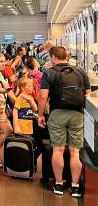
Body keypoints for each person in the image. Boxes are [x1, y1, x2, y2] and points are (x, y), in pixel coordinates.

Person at [38, 46, 91, 198]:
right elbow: (88, 94)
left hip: (57, 114)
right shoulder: (80, 71)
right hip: (77, 115)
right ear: (67, 56)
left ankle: (59, 184)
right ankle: (75, 187)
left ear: (53, 57)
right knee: (75, 152)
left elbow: (43, 96)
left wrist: (40, 114)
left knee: (58, 150)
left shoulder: (49, 72)